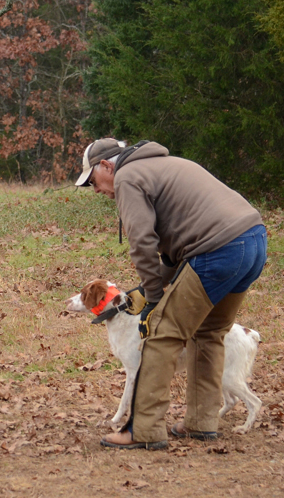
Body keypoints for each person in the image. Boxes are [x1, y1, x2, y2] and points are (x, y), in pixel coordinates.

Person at [76, 138, 266, 449]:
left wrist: (152, 299)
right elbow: (172, 252)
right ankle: (201, 423)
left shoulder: (127, 177)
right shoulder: (162, 164)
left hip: (218, 249)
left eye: (93, 181)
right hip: (253, 241)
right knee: (209, 332)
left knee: (160, 334)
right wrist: (148, 288)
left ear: (107, 165)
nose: (95, 190)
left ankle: (143, 430)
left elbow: (142, 242)